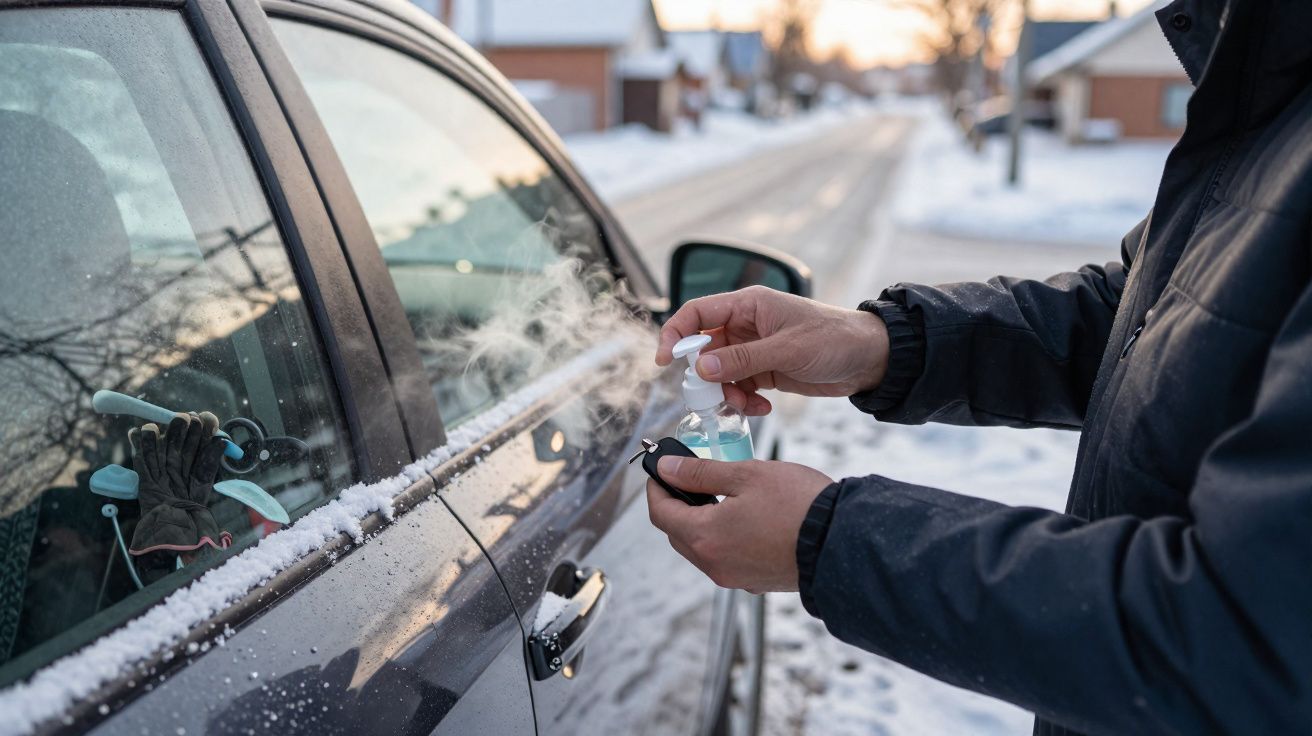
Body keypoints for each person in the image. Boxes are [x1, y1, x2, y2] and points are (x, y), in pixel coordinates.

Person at [645, 1, 1312, 734]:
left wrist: (831, 543)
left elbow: (1242, 637)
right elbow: (1149, 311)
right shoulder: (1276, 93)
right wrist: (882, 343)